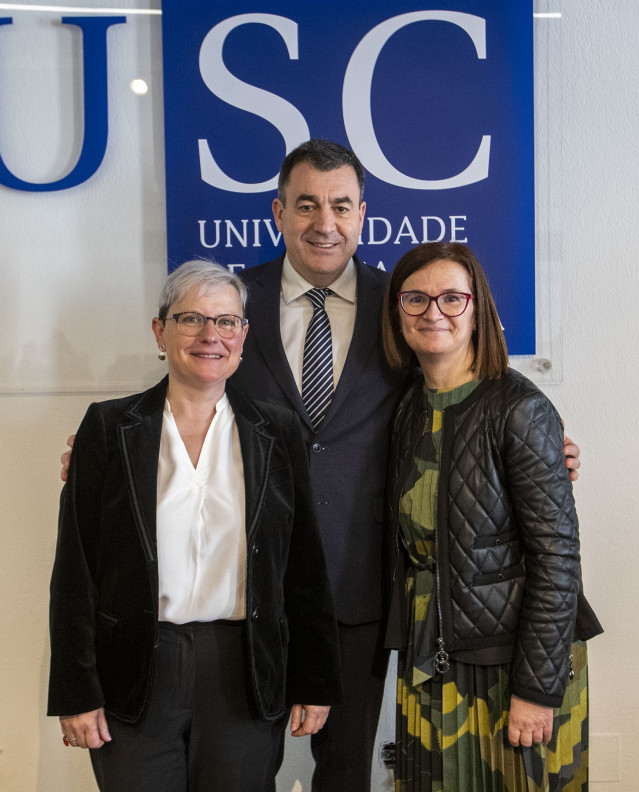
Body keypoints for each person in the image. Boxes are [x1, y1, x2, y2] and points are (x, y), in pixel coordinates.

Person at [61, 140, 582, 792]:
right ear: (278, 212)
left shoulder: (402, 303)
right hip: (245, 592)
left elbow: (454, 391)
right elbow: (190, 386)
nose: (324, 223)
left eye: (340, 205)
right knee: (235, 767)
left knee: (344, 773)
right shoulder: (233, 302)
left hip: (355, 588)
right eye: (306, 205)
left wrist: (539, 444)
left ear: (363, 214)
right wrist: (110, 453)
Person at [48, 260, 343, 792]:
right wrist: (75, 690)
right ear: (160, 332)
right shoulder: (108, 428)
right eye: (191, 319)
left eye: (226, 321)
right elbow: (75, 572)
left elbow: (303, 565)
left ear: (243, 336)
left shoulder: (276, 431)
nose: (211, 335)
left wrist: (315, 679)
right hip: (135, 671)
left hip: (244, 668)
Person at [381, 241, 602, 791]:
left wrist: (537, 688)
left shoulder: (520, 409)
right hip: (433, 653)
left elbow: (557, 558)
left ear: (478, 309)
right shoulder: (407, 405)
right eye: (415, 298)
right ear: (398, 312)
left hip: (513, 664)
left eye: (452, 298)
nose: (433, 312)